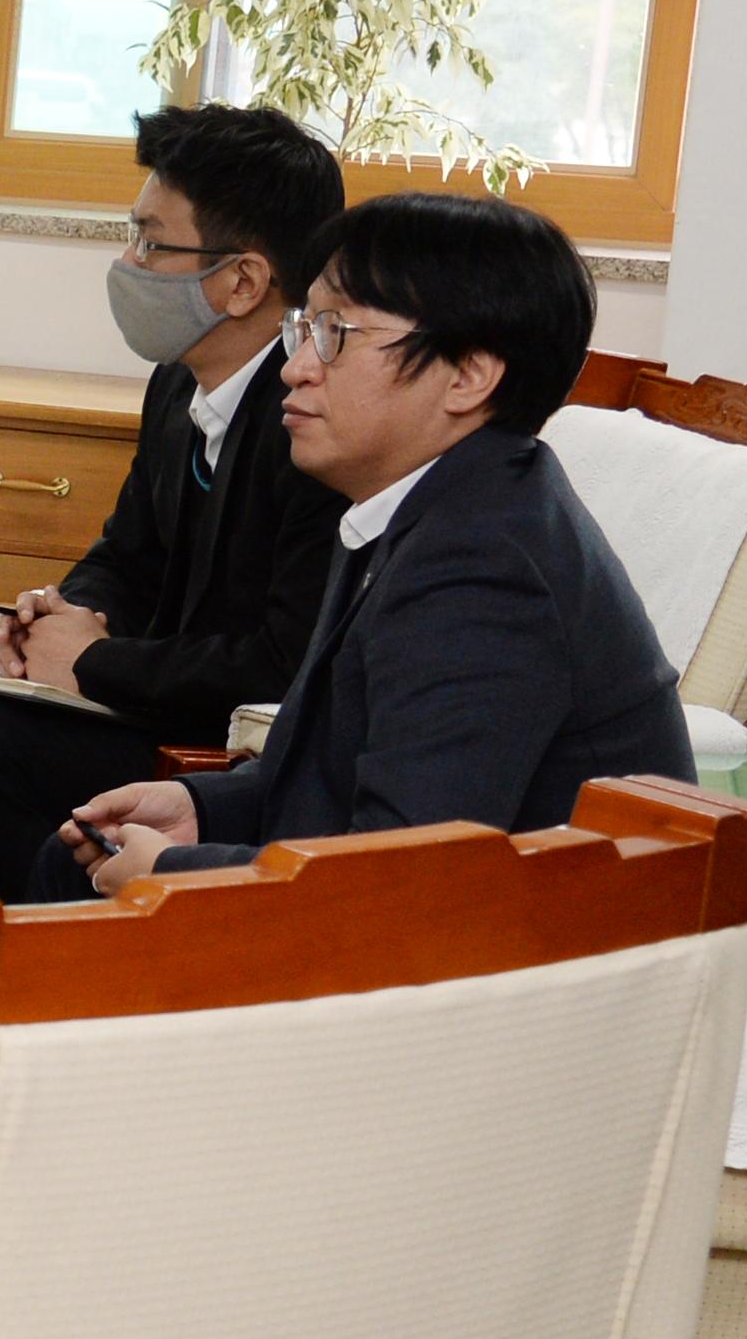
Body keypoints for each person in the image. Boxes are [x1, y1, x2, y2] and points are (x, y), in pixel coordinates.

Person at [61, 191, 687, 890]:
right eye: (304, 329)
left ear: (469, 376)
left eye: (337, 334)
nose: (296, 367)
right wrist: (199, 809)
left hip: (522, 971)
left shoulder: (483, 568)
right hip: (436, 931)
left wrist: (176, 870)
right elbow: (338, 773)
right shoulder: (428, 502)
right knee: (63, 863)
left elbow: (403, 875)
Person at [0, 104, 352, 899]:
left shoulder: (313, 424)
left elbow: (284, 658)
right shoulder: (178, 381)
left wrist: (95, 661)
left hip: (214, 751)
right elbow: (127, 554)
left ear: (242, 281)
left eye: (150, 241)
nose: (127, 261)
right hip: (145, 706)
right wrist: (57, 615)